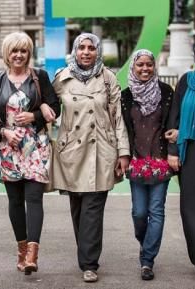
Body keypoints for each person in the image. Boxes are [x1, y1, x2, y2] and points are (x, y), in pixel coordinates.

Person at [0, 32, 60, 275]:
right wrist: (3, 132)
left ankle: (33, 256)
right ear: (7, 54)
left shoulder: (40, 77)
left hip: (36, 148)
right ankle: (22, 250)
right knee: (15, 201)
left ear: (29, 53)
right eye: (14, 51)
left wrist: (34, 115)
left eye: (23, 50)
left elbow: (55, 106)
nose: (18, 55)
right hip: (8, 150)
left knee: (34, 198)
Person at [52, 33, 130, 283]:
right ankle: (86, 252)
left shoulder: (108, 78)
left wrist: (123, 152)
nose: (86, 52)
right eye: (81, 48)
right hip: (71, 151)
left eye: (91, 48)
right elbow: (48, 108)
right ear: (75, 51)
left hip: (102, 150)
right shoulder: (61, 78)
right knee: (78, 208)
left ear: (98, 51)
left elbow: (117, 116)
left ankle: (89, 263)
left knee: (93, 208)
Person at [121, 49, 174, 281]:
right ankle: (146, 243)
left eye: (149, 65)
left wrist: (172, 152)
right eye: (140, 65)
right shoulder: (126, 95)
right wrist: (121, 156)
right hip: (137, 162)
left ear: (154, 67)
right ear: (133, 67)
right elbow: (121, 129)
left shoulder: (166, 92)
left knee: (157, 211)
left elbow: (173, 124)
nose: (144, 69)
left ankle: (147, 260)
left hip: (161, 161)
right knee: (139, 213)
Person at [167, 35, 195, 284]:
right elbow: (174, 118)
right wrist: (172, 150)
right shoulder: (187, 82)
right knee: (193, 208)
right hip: (192, 155)